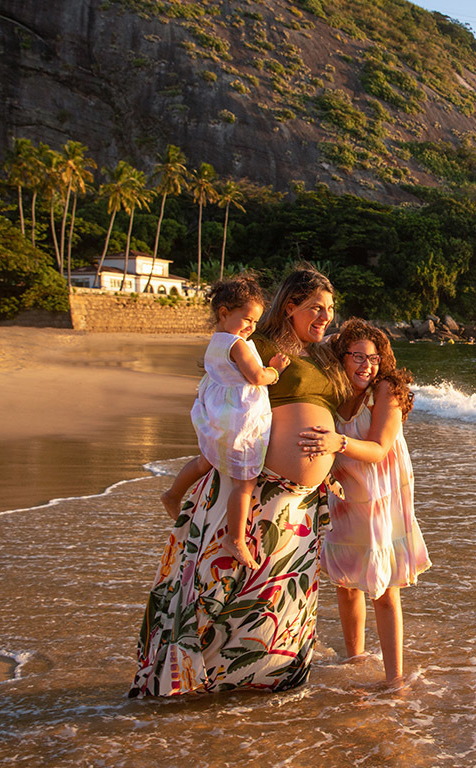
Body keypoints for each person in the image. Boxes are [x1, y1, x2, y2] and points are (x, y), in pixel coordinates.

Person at [130, 265, 345, 698]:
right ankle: (194, 680)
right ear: (290, 307)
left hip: (298, 505)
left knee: (274, 598)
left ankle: (265, 680)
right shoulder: (258, 346)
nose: (325, 317)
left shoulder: (320, 356)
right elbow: (221, 399)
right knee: (221, 589)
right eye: (315, 308)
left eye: (331, 310)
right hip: (253, 487)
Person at [299, 318, 431, 686]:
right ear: (340, 358)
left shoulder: (386, 390)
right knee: (346, 584)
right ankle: (355, 659)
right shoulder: (332, 392)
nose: (365, 366)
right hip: (344, 495)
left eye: (372, 358)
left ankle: (394, 678)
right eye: (356, 356)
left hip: (381, 496)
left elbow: (377, 449)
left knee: (385, 589)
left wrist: (337, 443)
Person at [159, 275, 290, 570]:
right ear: (223, 313)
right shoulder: (238, 345)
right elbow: (256, 377)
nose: (251, 328)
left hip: (218, 414)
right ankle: (235, 538)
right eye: (247, 319)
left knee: (205, 460)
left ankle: (173, 494)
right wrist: (275, 371)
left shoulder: (215, 343)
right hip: (238, 420)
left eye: (255, 322)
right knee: (245, 482)